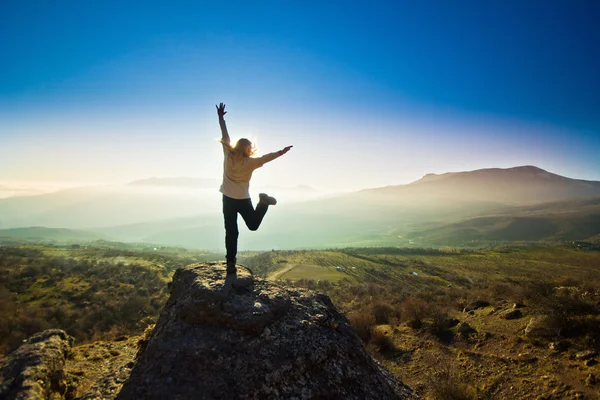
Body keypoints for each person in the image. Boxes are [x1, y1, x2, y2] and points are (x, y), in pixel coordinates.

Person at [217, 103, 292, 274]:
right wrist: (281, 152)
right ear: (246, 149)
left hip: (229, 199)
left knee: (232, 231)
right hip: (241, 199)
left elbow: (225, 135)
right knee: (249, 226)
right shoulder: (250, 162)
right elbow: (266, 158)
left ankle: (230, 262)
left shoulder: (228, 155)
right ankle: (230, 262)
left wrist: (221, 118)